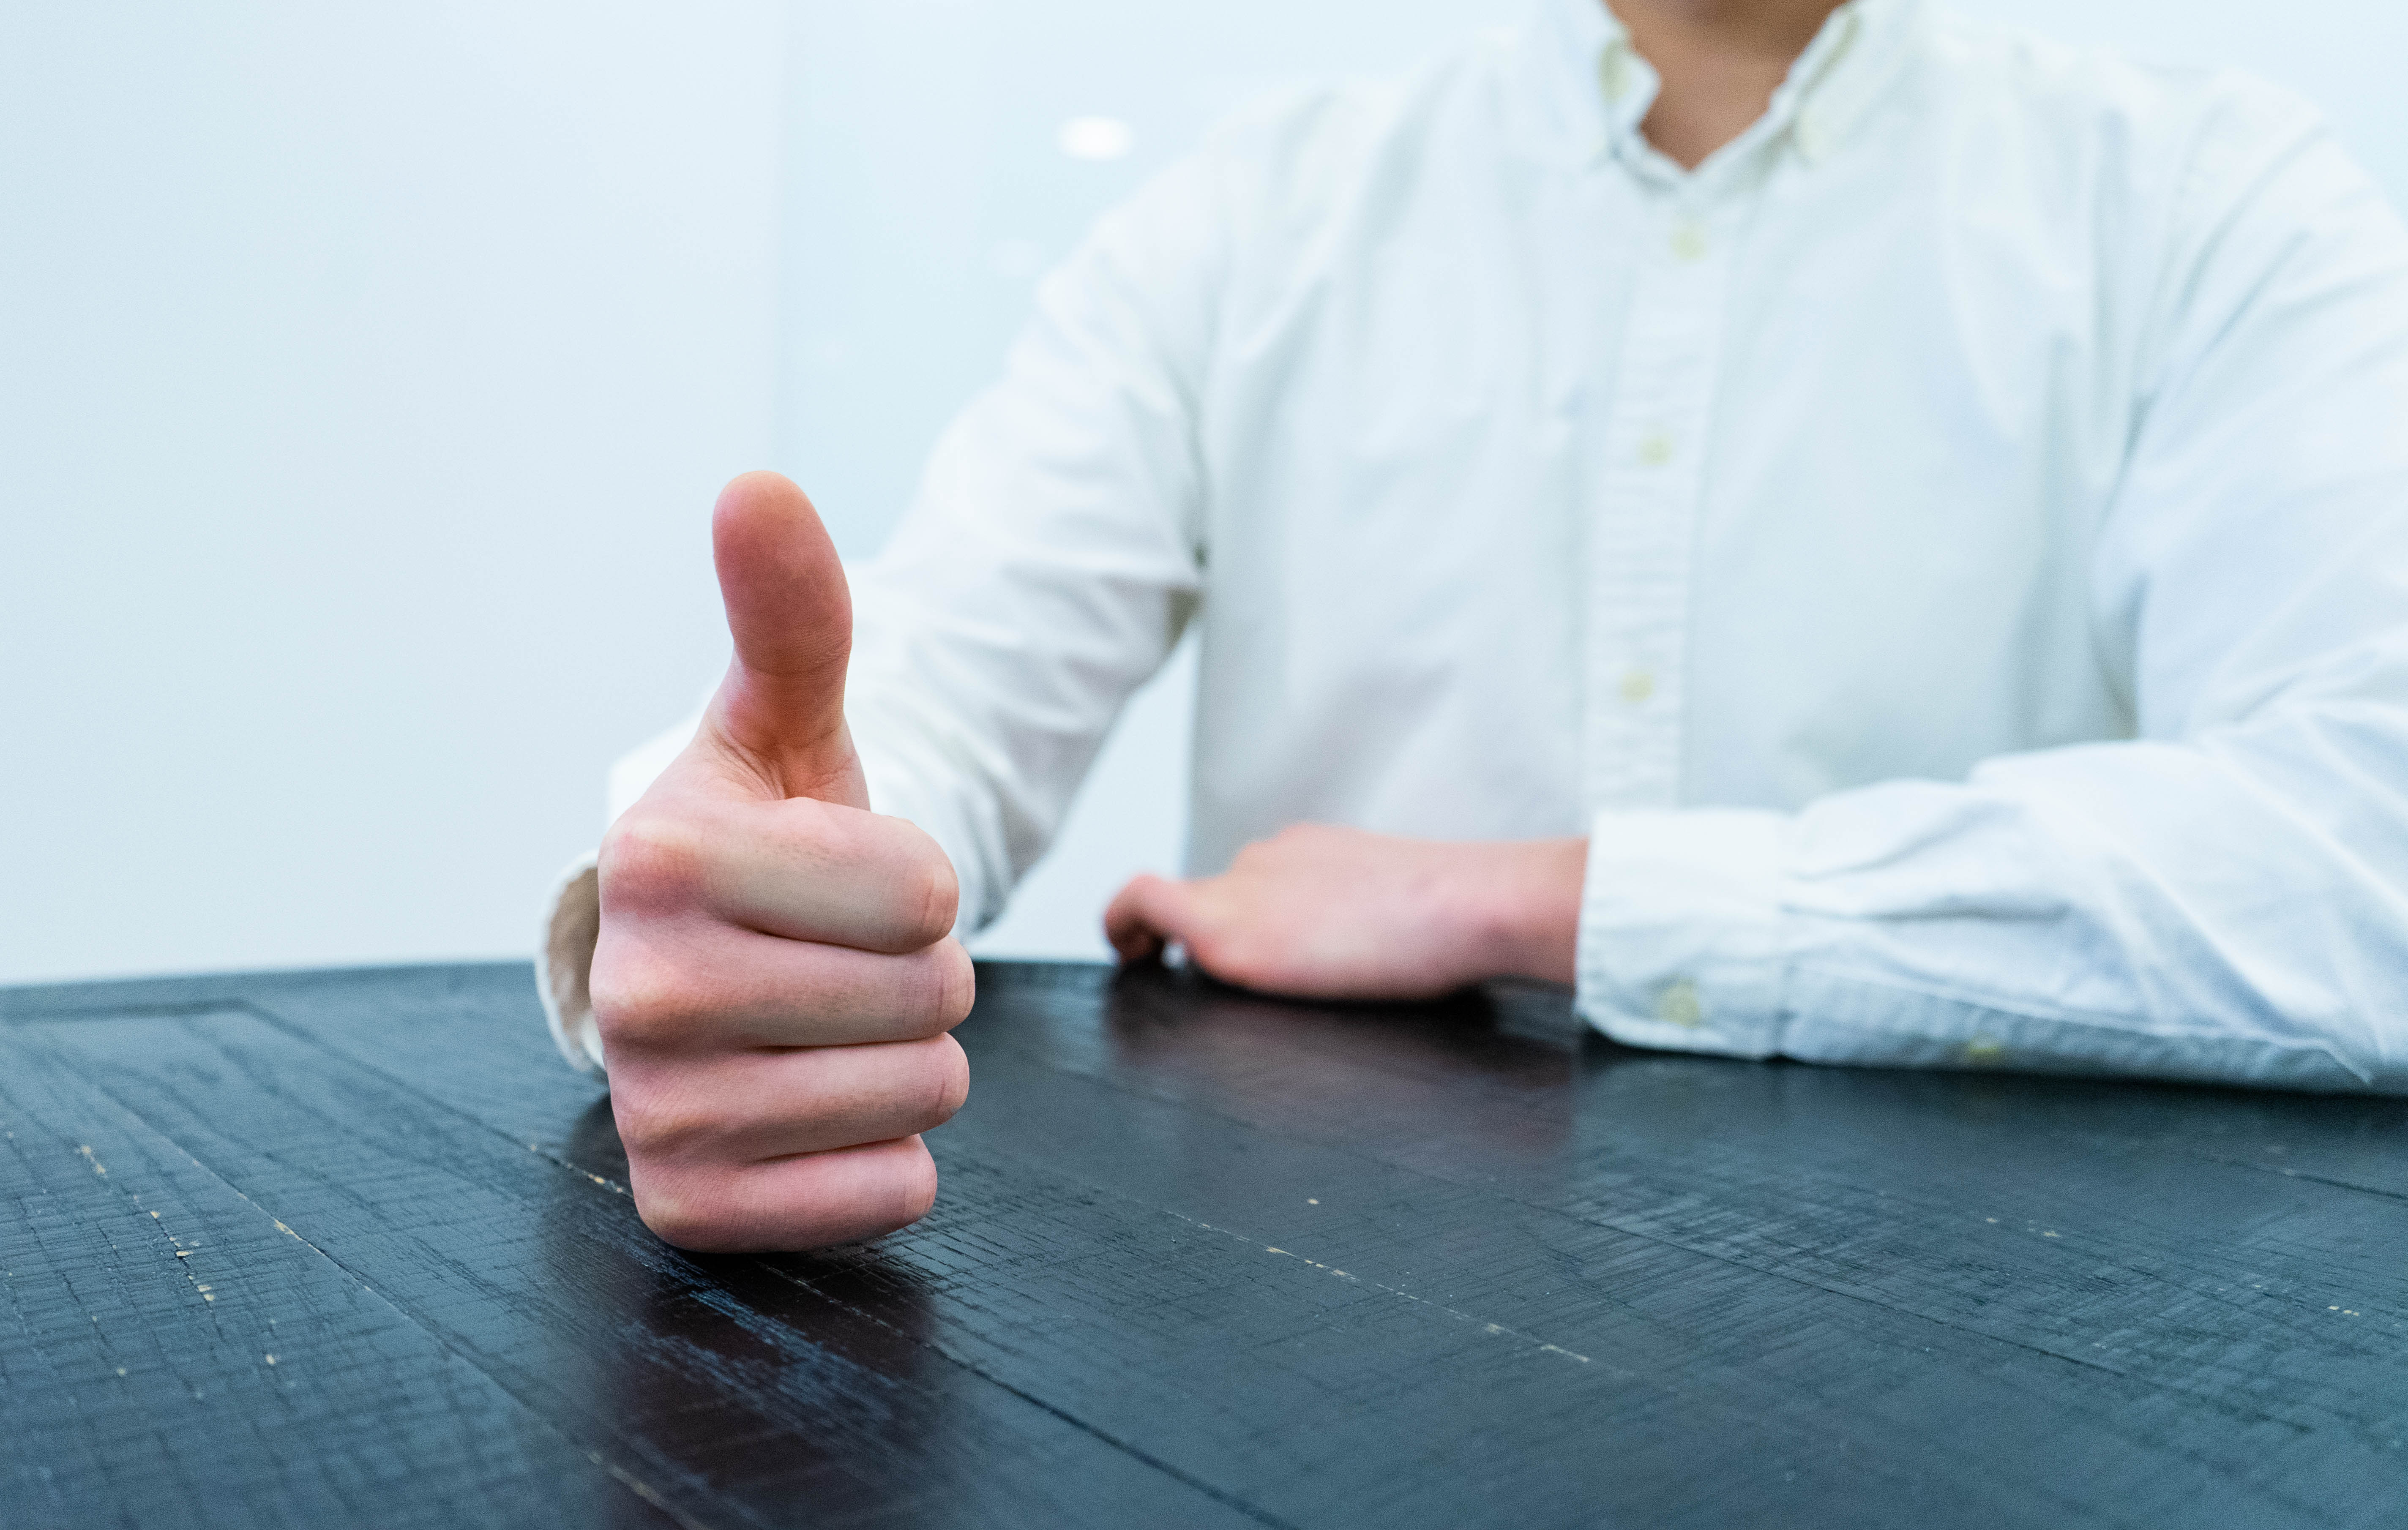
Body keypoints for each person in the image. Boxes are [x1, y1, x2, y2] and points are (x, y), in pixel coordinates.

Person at [538, 0, 2408, 1252]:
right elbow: (918, 696)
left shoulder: (2212, 210)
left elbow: (2370, 862)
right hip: (1317, 1380)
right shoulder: (1254, 220)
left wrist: (1544, 899)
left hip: (2033, 1355)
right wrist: (726, 898)